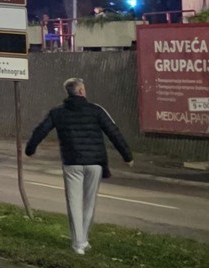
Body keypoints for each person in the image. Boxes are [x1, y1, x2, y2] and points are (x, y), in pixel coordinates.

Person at [25, 77, 134, 256]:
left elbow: (40, 130)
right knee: (89, 202)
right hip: (95, 163)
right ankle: (83, 240)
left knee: (74, 203)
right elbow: (113, 132)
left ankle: (78, 244)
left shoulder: (57, 112)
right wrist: (127, 156)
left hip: (72, 162)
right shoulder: (97, 110)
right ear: (81, 91)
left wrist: (30, 149)